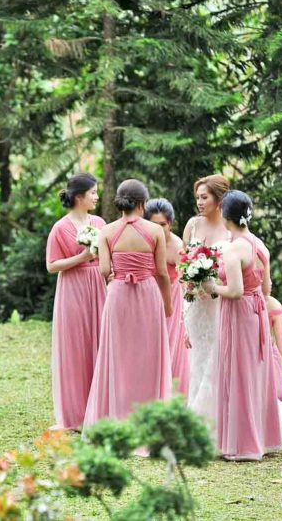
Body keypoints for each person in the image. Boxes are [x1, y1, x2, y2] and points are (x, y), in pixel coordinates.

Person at [202, 190, 282, 460]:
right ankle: (262, 436)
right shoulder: (259, 244)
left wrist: (213, 286)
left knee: (238, 370)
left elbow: (235, 290)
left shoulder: (234, 248)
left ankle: (242, 442)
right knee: (255, 370)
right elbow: (267, 286)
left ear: (226, 216)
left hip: (239, 313)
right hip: (257, 310)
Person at [84, 180, 172, 425]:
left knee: (118, 354)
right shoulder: (155, 231)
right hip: (147, 293)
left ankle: (117, 415)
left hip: (118, 294)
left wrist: (116, 275)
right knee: (148, 355)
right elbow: (163, 273)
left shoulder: (107, 231)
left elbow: (103, 269)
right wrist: (168, 304)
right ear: (142, 204)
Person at [46, 172, 107, 430]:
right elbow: (51, 265)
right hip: (73, 287)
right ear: (80, 197)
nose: (96, 196)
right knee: (76, 346)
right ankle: (75, 415)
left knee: (100, 341)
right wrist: (81, 258)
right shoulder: (60, 228)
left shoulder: (100, 222)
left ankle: (100, 410)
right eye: (93, 192)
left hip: (98, 285)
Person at [182, 174, 231, 431]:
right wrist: (189, 285)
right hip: (196, 305)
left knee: (217, 359)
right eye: (197, 198)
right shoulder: (192, 225)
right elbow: (183, 264)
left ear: (219, 198)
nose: (200, 202)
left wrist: (216, 286)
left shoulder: (230, 228)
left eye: (205, 197)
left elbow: (239, 270)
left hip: (221, 302)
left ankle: (214, 423)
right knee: (199, 359)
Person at [145, 198, 189, 396]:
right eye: (153, 224)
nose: (159, 229)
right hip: (146, 303)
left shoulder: (177, 246)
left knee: (170, 350)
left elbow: (186, 282)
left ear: (170, 223)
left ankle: (169, 394)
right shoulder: (145, 241)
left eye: (162, 224)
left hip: (171, 302)